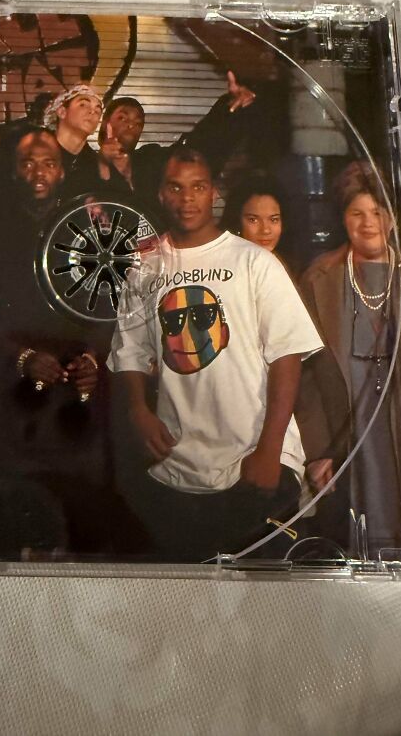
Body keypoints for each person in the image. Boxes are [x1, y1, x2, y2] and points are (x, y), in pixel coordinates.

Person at [107, 145, 323, 561]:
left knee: (261, 605)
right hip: (178, 470)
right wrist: (138, 410)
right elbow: (129, 351)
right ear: (161, 194)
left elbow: (287, 357)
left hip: (255, 462)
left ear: (213, 194)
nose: (187, 198)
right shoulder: (145, 267)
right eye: (176, 187)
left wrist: (270, 451)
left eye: (198, 187)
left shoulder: (254, 262)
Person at [0, 128, 143, 558]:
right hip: (11, 398)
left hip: (77, 394)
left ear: (63, 172)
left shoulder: (92, 223)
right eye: (27, 162)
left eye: (48, 163)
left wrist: (95, 359)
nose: (38, 172)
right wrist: (19, 358)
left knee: (84, 513)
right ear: (13, 171)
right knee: (9, 518)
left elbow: (118, 304)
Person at [295, 161, 401, 556]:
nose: (368, 223)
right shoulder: (321, 277)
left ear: (392, 218)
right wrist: (319, 451)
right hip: (347, 430)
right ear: (343, 219)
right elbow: (307, 375)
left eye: (377, 213)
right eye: (357, 213)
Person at [95, 72, 257, 221]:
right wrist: (103, 163)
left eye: (138, 122)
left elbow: (196, 148)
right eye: (123, 118)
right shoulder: (85, 163)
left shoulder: (151, 159)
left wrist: (228, 108)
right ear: (105, 124)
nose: (131, 125)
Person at [221, 172, 288, 259]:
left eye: (274, 220)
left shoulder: (287, 265)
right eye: (253, 220)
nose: (265, 230)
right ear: (237, 221)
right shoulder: (225, 265)